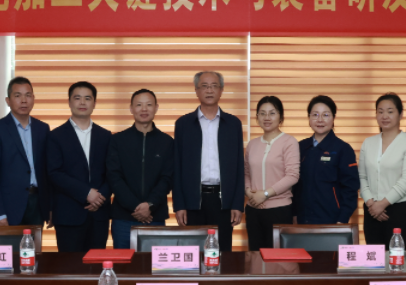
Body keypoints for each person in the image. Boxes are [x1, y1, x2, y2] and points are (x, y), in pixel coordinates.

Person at [173, 71, 245, 252]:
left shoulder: (233, 124)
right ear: (196, 91)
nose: (209, 90)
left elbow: (239, 167)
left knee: (223, 253)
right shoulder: (183, 124)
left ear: (221, 90)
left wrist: (237, 204)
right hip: (193, 200)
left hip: (223, 201)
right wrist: (179, 205)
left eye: (214, 86)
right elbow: (177, 167)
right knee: (193, 253)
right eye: (204, 86)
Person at [47, 81, 112, 252]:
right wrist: (86, 193)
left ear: (94, 103)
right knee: (69, 265)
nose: (82, 102)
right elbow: (54, 173)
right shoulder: (55, 136)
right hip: (68, 214)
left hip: (99, 214)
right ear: (69, 102)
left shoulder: (105, 136)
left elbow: (113, 172)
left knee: (97, 264)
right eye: (77, 98)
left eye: (87, 98)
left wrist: (100, 197)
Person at [106, 89, 174, 249]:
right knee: (124, 263)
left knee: (154, 263)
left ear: (156, 108)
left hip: (154, 217)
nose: (144, 109)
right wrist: (136, 207)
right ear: (131, 108)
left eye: (149, 105)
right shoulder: (117, 140)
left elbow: (167, 178)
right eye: (139, 105)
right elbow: (114, 177)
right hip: (123, 218)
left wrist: (149, 205)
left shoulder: (167, 142)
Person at [0, 77, 50, 228]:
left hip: (37, 204)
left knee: (34, 244)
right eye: (17, 95)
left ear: (33, 99)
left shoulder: (43, 129)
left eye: (28, 95)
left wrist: (49, 208)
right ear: (8, 101)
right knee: (11, 245)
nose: (23, 100)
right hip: (9, 206)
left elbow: (48, 171)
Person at [358, 93, 406, 247]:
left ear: (400, 114)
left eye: (390, 111)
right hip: (371, 210)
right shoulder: (368, 143)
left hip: (400, 210)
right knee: (375, 257)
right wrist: (371, 203)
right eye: (380, 111)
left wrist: (382, 204)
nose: (384, 116)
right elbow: (362, 177)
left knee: (398, 258)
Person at [293, 95, 360, 225]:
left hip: (332, 221)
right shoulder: (300, 147)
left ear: (333, 118)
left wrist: (342, 219)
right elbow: (294, 187)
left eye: (325, 115)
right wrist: (294, 215)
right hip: (302, 220)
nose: (320, 120)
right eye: (315, 115)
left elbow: (350, 189)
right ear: (309, 118)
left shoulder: (343, 149)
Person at [244, 96, 300, 250]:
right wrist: (249, 193)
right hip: (253, 210)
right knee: (255, 255)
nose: (267, 117)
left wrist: (265, 194)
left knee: (277, 258)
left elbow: (292, 175)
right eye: (262, 113)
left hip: (279, 210)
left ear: (281, 117)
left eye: (272, 113)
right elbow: (246, 173)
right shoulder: (252, 144)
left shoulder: (289, 142)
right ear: (257, 117)